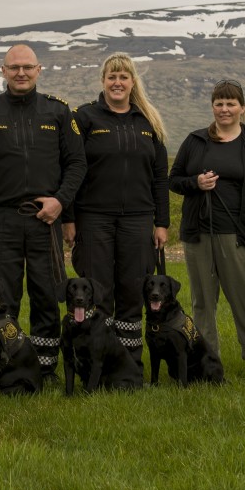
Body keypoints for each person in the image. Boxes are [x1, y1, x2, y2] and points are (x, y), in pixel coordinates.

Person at [0, 44, 86, 381]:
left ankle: (45, 367)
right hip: (0, 218)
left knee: (46, 294)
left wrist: (60, 203)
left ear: (39, 70)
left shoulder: (58, 112)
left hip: (44, 217)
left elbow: (76, 164)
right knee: (2, 295)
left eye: (27, 67)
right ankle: (5, 362)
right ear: (3, 71)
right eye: (14, 67)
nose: (21, 73)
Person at [62, 53, 169, 369]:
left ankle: (130, 364)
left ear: (132, 82)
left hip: (138, 219)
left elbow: (160, 177)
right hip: (93, 218)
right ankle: (98, 362)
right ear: (103, 81)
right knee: (97, 290)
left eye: (124, 77)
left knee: (134, 290)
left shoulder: (148, 122)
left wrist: (161, 223)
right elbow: (69, 168)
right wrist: (68, 219)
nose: (117, 82)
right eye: (112, 76)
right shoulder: (84, 117)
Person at [169, 79, 245, 370]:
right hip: (198, 234)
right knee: (203, 300)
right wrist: (195, 182)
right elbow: (173, 180)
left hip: (238, 235)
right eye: (219, 103)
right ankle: (206, 358)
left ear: (242, 107)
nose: (224, 109)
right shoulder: (195, 141)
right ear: (212, 107)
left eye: (231, 103)